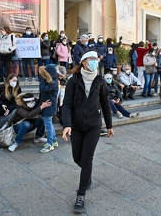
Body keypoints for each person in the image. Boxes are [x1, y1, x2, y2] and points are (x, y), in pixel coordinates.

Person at [62, 50, 114, 214]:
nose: (95, 62)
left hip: (93, 126)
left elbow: (106, 104)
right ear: (83, 62)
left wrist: (109, 125)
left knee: (87, 159)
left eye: (96, 59)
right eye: (91, 59)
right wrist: (67, 124)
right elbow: (67, 104)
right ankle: (87, 175)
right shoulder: (73, 80)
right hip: (76, 126)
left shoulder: (100, 81)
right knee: (77, 158)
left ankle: (81, 194)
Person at [38, 65, 59, 153]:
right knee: (49, 123)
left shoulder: (53, 82)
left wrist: (43, 79)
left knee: (48, 124)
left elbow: (42, 89)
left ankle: (50, 143)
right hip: (48, 105)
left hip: (49, 106)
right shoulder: (52, 81)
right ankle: (54, 141)